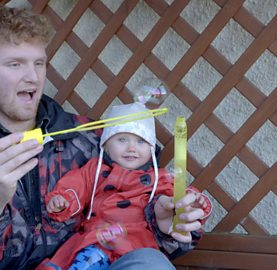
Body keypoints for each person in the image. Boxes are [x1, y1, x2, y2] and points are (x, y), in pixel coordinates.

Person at [0, 4, 210, 270]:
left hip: (87, 263)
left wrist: (161, 223)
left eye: (39, 63)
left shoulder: (90, 138)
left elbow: (142, 206)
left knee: (151, 262)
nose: (32, 77)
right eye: (15, 64)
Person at [39, 102, 212, 270]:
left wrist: (193, 202)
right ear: (106, 146)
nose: (131, 148)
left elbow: (175, 197)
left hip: (134, 247)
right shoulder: (95, 170)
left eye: (141, 141)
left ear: (151, 148)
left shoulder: (158, 178)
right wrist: (64, 199)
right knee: (86, 260)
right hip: (96, 241)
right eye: (122, 139)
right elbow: (76, 185)